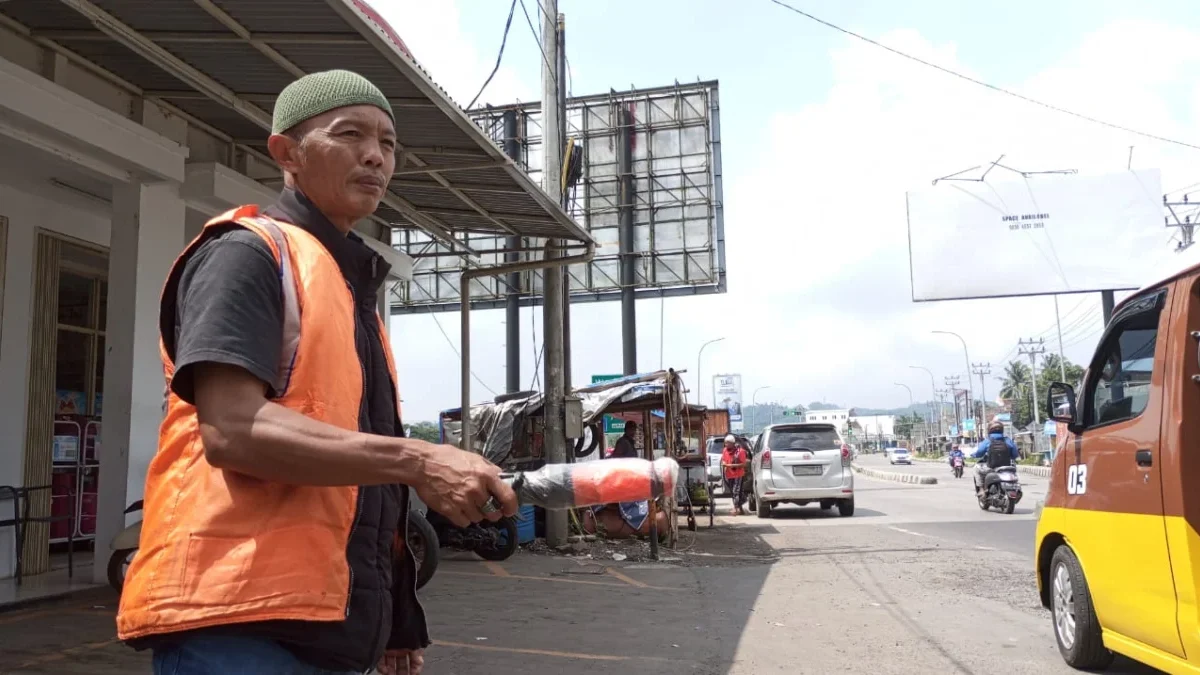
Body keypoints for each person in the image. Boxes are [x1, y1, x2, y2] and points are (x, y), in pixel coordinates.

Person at [115, 70, 519, 675]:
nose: (374, 156)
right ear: (287, 153)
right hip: (236, 626)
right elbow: (233, 430)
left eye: (387, 143)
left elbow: (362, 485)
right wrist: (420, 459)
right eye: (350, 133)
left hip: (321, 628)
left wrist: (392, 622)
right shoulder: (248, 254)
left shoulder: (351, 289)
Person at [971, 421, 1019, 494]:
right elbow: (1015, 454)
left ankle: (981, 490)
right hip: (1007, 467)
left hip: (991, 468)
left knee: (976, 469)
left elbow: (979, 453)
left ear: (989, 430)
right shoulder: (1007, 440)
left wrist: (974, 455)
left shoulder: (987, 441)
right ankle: (1016, 488)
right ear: (1002, 430)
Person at [720, 435, 749, 515]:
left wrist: (730, 466)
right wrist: (724, 463)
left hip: (738, 474)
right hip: (729, 475)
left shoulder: (740, 451)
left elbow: (743, 464)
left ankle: (735, 508)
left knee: (735, 491)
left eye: (728, 443)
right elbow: (723, 460)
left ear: (733, 443)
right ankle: (740, 506)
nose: (726, 444)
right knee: (735, 492)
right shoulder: (725, 450)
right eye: (725, 443)